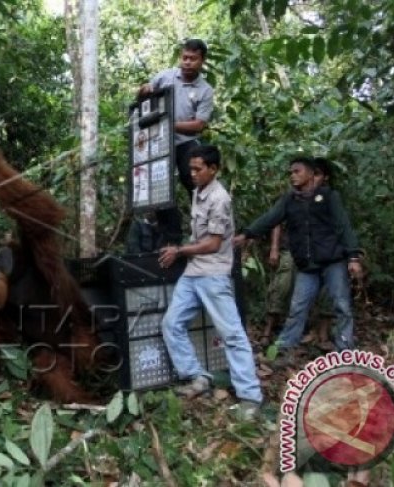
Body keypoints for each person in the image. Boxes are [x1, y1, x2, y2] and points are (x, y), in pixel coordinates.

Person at [159, 145, 263, 418]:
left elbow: (214, 244)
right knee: (171, 323)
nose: (192, 173)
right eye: (190, 168)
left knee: (232, 334)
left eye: (198, 169)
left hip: (213, 274)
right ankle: (197, 377)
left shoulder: (220, 198)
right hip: (193, 272)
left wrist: (179, 251)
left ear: (213, 169)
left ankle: (250, 397)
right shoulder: (198, 192)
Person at [235, 156, 363, 364]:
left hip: (332, 260)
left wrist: (353, 257)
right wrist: (247, 234)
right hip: (307, 264)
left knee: (341, 305)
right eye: (291, 172)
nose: (292, 176)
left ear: (311, 174)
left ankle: (345, 352)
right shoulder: (289, 200)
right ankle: (284, 350)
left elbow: (343, 226)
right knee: (297, 307)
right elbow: (270, 218)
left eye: (297, 171)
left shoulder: (329, 196)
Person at [134, 38, 214, 245]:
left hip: (186, 143)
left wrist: (168, 124)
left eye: (193, 59)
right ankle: (171, 238)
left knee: (196, 183)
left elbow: (198, 125)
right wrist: (143, 90)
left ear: (202, 61)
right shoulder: (165, 76)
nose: (187, 62)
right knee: (158, 189)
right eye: (185, 57)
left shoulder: (205, 90)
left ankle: (205, 233)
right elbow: (143, 97)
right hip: (158, 142)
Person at [261, 158, 333, 349]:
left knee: (328, 288)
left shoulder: (328, 198)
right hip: (293, 249)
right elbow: (275, 221)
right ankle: (269, 330)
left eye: (318, 175)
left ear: (324, 178)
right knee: (283, 283)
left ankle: (322, 334)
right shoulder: (292, 196)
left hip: (321, 253)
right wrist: (275, 248)